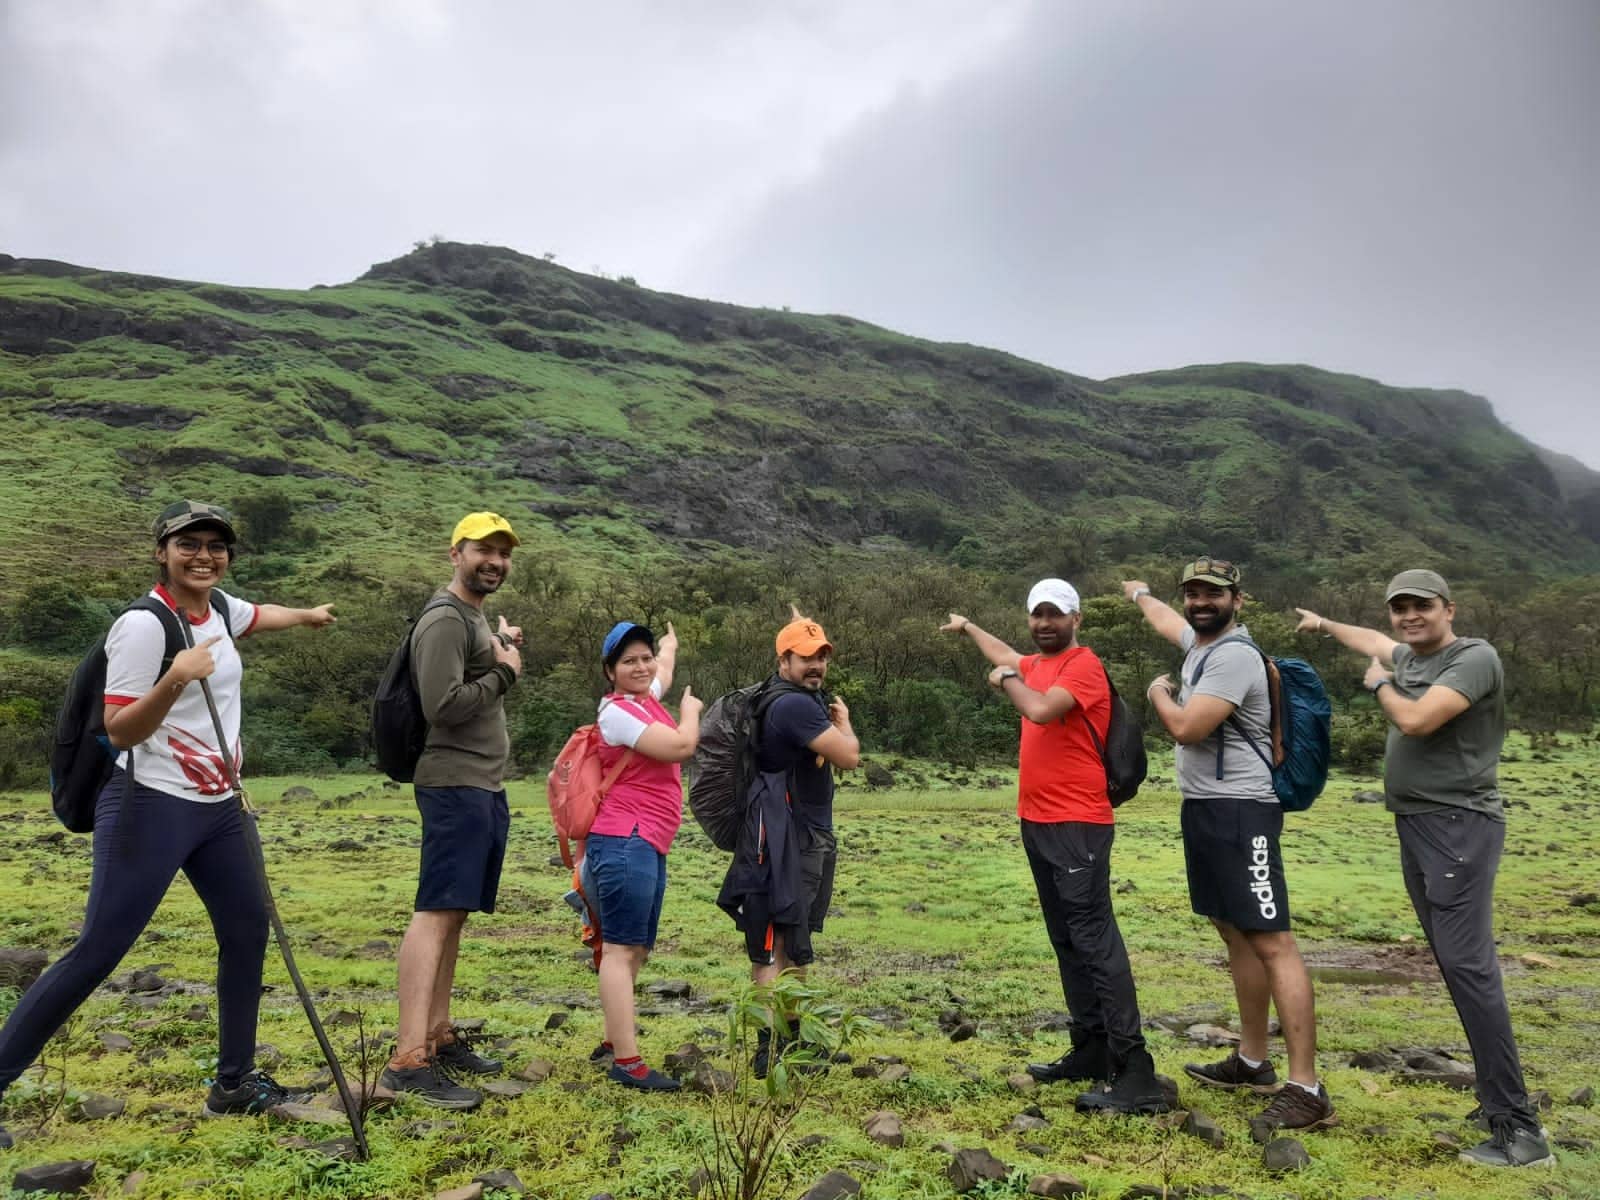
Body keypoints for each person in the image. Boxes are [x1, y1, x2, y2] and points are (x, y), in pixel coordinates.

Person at [0, 500, 334, 1144]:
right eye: (189, 544)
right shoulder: (143, 626)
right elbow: (120, 727)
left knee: (246, 934)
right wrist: (176, 678)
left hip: (220, 808)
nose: (204, 555)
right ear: (162, 552)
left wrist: (309, 616)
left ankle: (234, 1084)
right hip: (148, 802)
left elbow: (258, 617)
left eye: (216, 545)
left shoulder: (220, 609)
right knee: (97, 951)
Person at [1295, 571, 1553, 1169]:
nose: (1410, 616)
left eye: (1422, 606)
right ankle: (1497, 1102)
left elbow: (1416, 720)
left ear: (1449, 608)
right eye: (1400, 608)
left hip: (1458, 826)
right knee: (1457, 965)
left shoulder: (1473, 658)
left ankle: (1519, 1128)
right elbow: (1369, 640)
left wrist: (1381, 685)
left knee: (1470, 970)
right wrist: (1326, 625)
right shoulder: (1409, 653)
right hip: (1420, 824)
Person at [1123, 558, 1336, 1134]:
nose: (1200, 601)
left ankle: (1306, 1087)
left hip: (1244, 812)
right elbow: (1169, 622)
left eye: (1212, 594)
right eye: (1192, 592)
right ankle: (1250, 1060)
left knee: (1272, 938)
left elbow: (1188, 727)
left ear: (1237, 600)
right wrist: (1141, 593)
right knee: (1233, 928)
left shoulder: (1234, 656)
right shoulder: (1198, 643)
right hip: (1209, 810)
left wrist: (1156, 692)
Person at [941, 579, 1166, 1114]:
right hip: (1038, 822)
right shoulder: (1038, 664)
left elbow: (1040, 710)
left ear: (1076, 619)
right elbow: (1009, 656)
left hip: (1077, 824)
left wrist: (1002, 681)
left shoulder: (1082, 666)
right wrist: (970, 628)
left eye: (1055, 615)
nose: (1045, 624)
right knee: (1067, 938)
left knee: (1094, 940)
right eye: (1037, 615)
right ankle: (1090, 1047)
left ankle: (1136, 1071)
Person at [381, 512, 523, 1110]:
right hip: (453, 782)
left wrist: (501, 653)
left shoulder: (474, 615)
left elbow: (473, 676)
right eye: (482, 550)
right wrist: (505, 675)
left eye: (502, 552)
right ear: (455, 553)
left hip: (481, 785)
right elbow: (443, 704)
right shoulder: (444, 617)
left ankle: (437, 1035)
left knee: (455, 911)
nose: (493, 560)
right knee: (436, 910)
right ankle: (407, 1057)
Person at [717, 608, 860, 1077]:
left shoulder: (783, 696)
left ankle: (790, 1041)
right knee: (775, 941)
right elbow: (849, 758)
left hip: (794, 829)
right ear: (784, 662)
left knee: (793, 941)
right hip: (787, 835)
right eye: (804, 657)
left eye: (821, 656)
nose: (815, 665)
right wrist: (846, 724)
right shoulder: (795, 705)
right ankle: (769, 1047)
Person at [584, 621, 701, 1091]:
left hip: (647, 839)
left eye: (644, 657)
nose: (641, 666)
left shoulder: (644, 697)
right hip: (623, 838)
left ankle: (616, 1039)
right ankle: (626, 1061)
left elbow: (663, 673)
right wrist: (690, 711)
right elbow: (680, 746)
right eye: (628, 660)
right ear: (610, 671)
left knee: (638, 949)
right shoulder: (617, 714)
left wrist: (669, 646)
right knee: (619, 949)